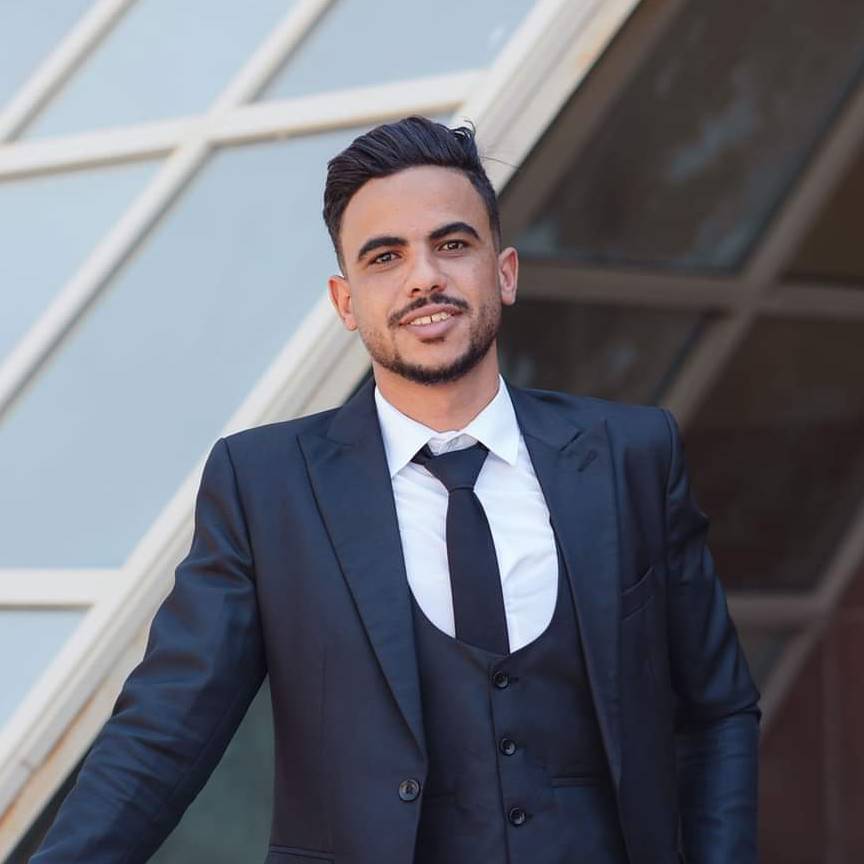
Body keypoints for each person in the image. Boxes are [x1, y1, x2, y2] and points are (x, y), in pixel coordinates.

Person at [31, 116, 760, 864]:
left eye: (453, 245)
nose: (424, 278)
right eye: (385, 257)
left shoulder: (630, 455)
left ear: (505, 273)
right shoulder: (267, 486)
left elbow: (718, 711)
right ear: (345, 302)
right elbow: (164, 733)